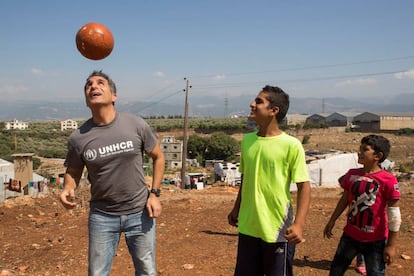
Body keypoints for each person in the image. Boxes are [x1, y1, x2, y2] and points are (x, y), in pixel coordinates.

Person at [60, 70, 165, 276]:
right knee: (97, 273)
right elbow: (73, 171)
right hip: (102, 216)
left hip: (139, 211)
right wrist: (67, 188)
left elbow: (158, 157)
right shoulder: (78, 138)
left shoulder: (135, 124)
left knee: (146, 270)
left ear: (113, 96)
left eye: (100, 83)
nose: (93, 86)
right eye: (89, 85)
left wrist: (155, 194)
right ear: (86, 100)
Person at [227, 85, 311, 276]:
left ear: (274, 111)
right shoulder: (247, 141)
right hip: (248, 225)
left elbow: (304, 186)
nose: (252, 104)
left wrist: (298, 224)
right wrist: (236, 207)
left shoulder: (291, 145)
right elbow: (246, 177)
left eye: (259, 101)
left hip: (277, 229)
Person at [323, 134, 401, 276]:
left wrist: (391, 245)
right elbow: (344, 200)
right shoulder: (352, 175)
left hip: (375, 241)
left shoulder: (388, 180)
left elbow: (394, 216)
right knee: (335, 271)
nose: (359, 152)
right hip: (350, 236)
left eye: (365, 149)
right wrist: (332, 220)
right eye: (360, 148)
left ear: (378, 156)